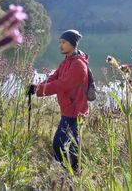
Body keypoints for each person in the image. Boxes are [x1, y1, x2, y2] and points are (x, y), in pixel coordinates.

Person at [28, 29, 89, 171]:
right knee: (73, 144)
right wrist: (37, 86)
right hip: (69, 109)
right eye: (60, 42)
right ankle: (74, 173)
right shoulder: (67, 61)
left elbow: (61, 85)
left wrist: (38, 90)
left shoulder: (78, 65)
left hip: (74, 113)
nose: (60, 45)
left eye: (64, 42)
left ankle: (65, 173)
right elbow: (54, 78)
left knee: (58, 145)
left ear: (73, 44)